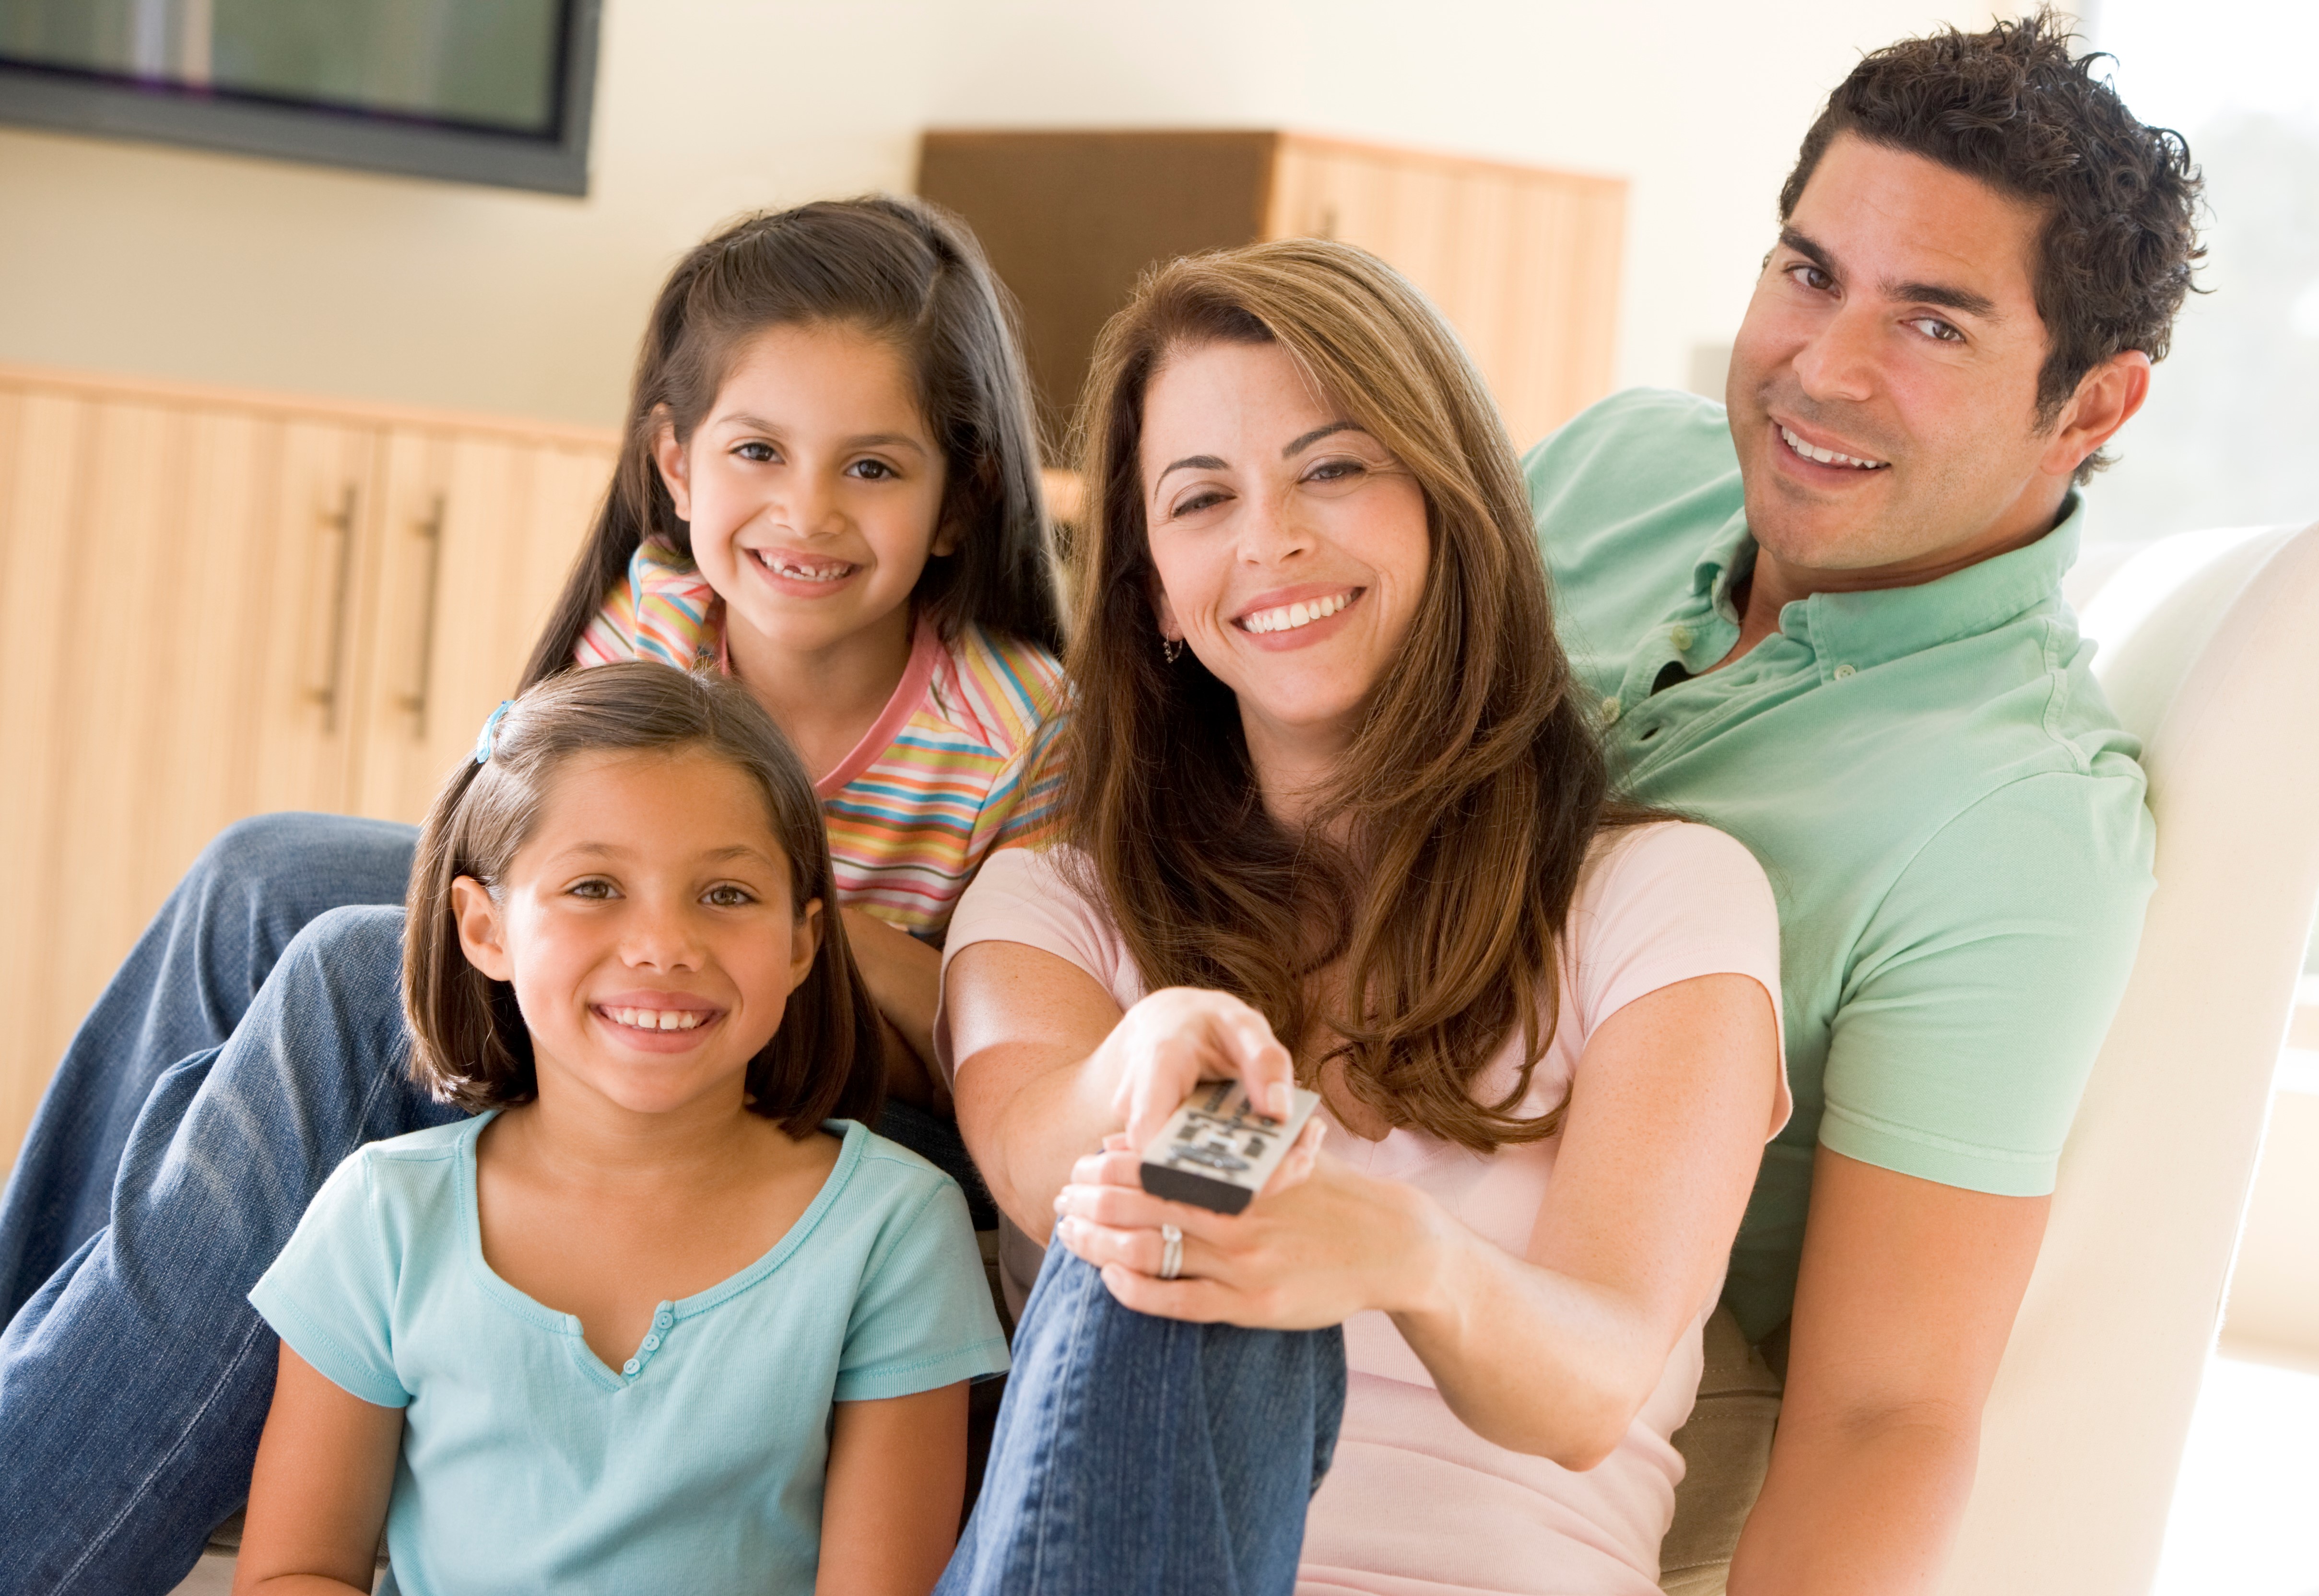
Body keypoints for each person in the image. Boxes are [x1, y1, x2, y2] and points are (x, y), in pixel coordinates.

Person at [0, 195, 1063, 1593]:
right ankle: (50, 1382)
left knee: (347, 966)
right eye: (759, 452)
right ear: (677, 465)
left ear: (961, 497)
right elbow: (516, 840)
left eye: (871, 466)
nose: (807, 511)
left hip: (834, 1062)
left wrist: (796, 918)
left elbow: (1010, 1027)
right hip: (634, 998)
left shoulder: (1017, 725)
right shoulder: (662, 614)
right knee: (262, 875)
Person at [937, 235, 1790, 1595]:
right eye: (1201, 498)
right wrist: (1139, 1066)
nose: (1270, 538)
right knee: (1179, 1194)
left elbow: (1594, 1385)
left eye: (1332, 468)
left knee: (1218, 1198)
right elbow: (1038, 1156)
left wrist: (1398, 1253)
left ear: (1451, 504)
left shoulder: (1663, 897)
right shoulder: (1052, 899)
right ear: (1154, 593)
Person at [1524, 15, 2194, 1592]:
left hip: (1571, 1400)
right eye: (1808, 272)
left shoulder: (2020, 818)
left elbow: (1888, 1410)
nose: (1821, 370)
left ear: (2093, 407)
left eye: (1934, 324)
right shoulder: (1611, 464)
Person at [232, 663, 1006, 1596]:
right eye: (595, 886)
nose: (663, 946)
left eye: (727, 894)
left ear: (804, 942)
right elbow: (295, 1570)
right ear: (485, 928)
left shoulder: (894, 1228)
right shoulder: (381, 1216)